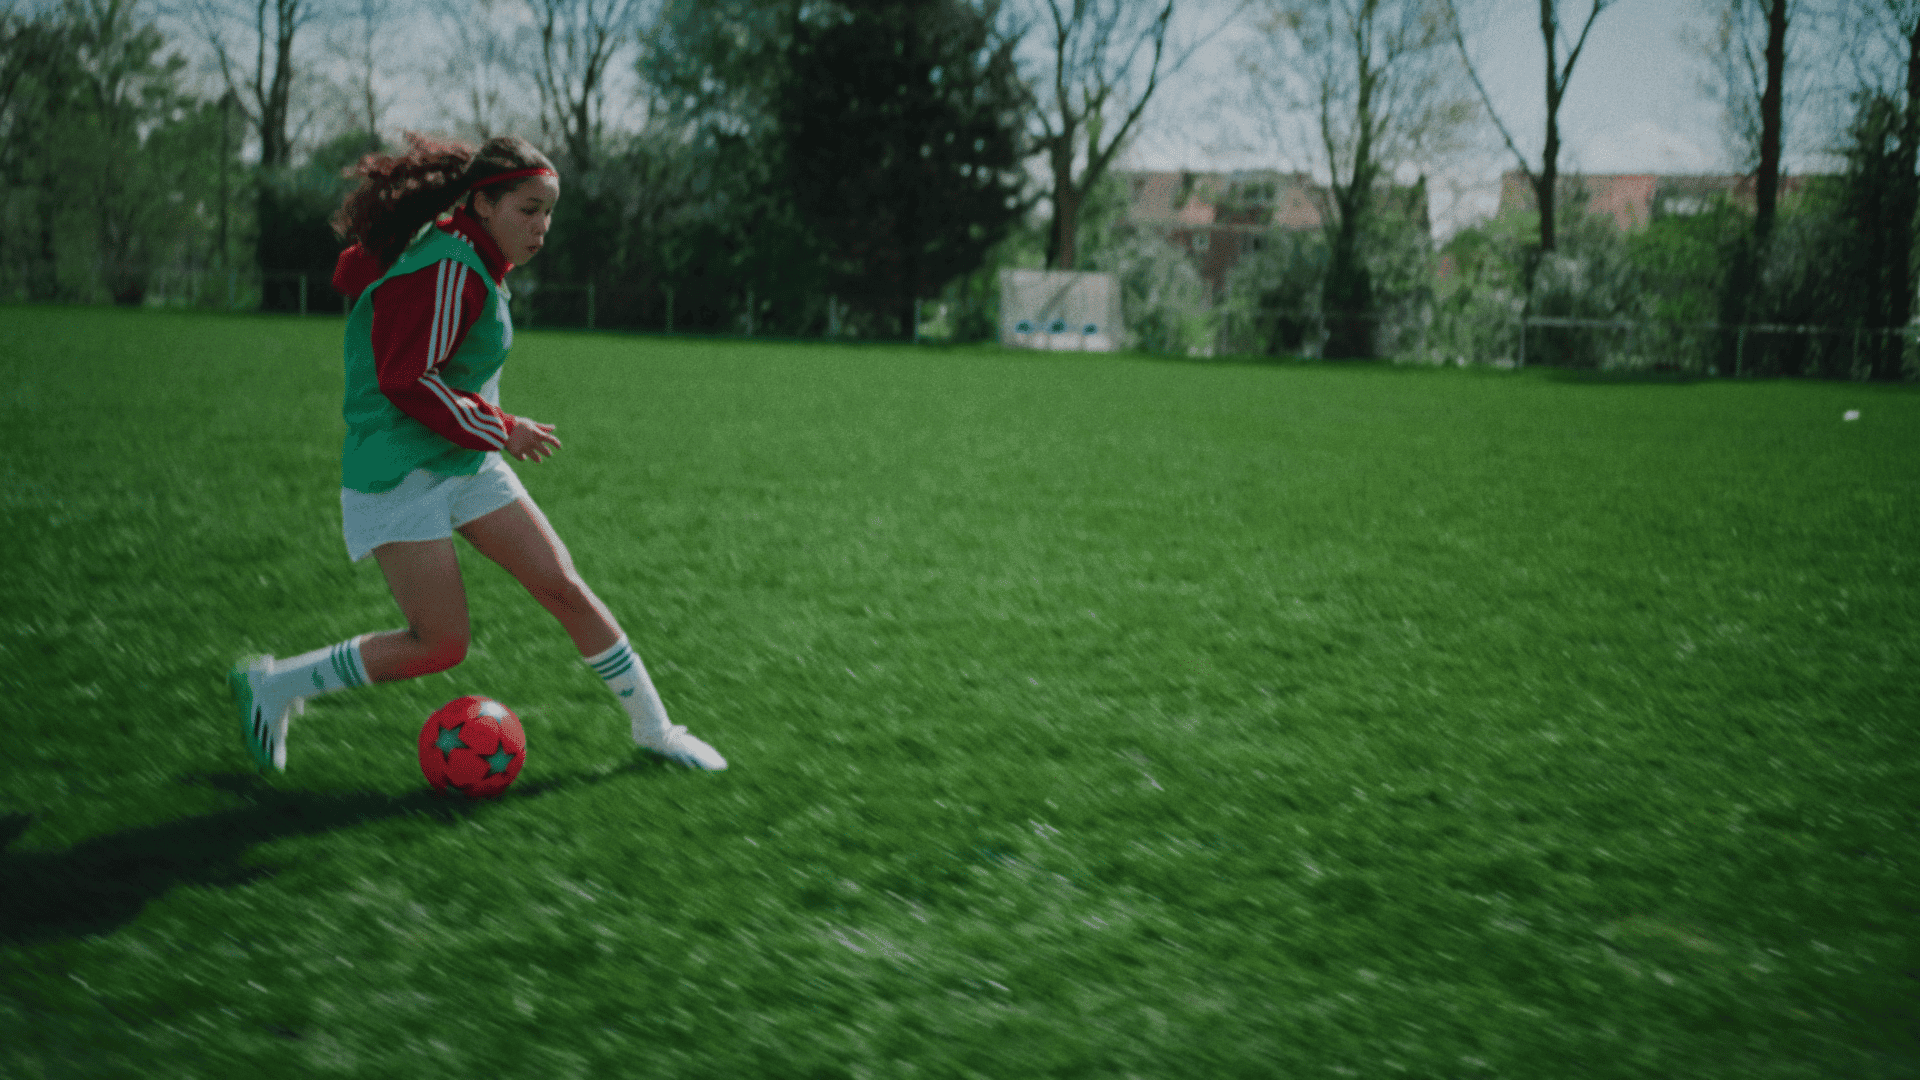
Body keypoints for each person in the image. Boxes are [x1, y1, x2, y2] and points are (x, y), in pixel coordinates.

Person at [228, 132, 726, 773]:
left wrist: (490, 432)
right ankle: (273, 686)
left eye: (549, 211)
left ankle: (657, 731)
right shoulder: (448, 266)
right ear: (483, 205)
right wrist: (504, 428)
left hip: (461, 459)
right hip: (401, 470)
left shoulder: (467, 255)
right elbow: (406, 379)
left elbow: (371, 289)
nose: (542, 226)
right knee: (439, 644)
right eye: (528, 208)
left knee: (561, 585)